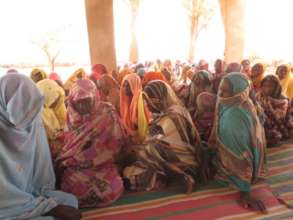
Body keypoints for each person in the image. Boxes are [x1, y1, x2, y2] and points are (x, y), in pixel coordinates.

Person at [0, 73, 81, 220]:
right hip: (5, 204)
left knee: (70, 201)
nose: (28, 117)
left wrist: (44, 202)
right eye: (22, 107)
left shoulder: (31, 121)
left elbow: (41, 178)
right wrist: (48, 208)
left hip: (31, 194)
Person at [123, 80, 207, 193]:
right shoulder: (177, 110)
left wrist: (139, 151)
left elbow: (160, 146)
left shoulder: (172, 117)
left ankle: (181, 177)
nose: (147, 105)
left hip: (185, 164)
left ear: (160, 99)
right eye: (146, 101)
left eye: (149, 101)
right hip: (186, 159)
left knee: (132, 173)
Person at [56, 79, 126, 208]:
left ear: (95, 97)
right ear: (72, 101)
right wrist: (77, 159)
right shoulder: (71, 115)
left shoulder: (106, 112)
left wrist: (96, 158)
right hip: (75, 166)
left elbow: (116, 143)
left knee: (113, 186)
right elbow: (69, 143)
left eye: (87, 101)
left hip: (102, 165)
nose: (83, 106)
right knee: (71, 184)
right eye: (79, 102)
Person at [209, 72, 267, 213]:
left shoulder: (235, 116)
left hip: (240, 165)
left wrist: (245, 190)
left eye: (225, 90)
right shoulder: (238, 102)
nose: (220, 93)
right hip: (238, 153)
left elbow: (243, 156)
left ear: (238, 91)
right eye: (220, 88)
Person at [256, 75, 293, 145]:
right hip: (261, 122)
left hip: (278, 125)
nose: (267, 88)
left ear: (276, 87)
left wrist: (269, 106)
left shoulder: (283, 99)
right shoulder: (259, 95)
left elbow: (279, 117)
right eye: (265, 85)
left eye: (270, 86)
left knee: (273, 135)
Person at [37, 79, 67, 159]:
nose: (55, 104)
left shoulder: (58, 99)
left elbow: (64, 122)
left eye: (56, 101)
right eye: (52, 102)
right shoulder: (37, 113)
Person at [120, 73, 151, 143]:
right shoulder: (127, 101)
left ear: (134, 85)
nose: (124, 88)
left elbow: (145, 126)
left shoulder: (141, 100)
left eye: (128, 86)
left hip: (144, 139)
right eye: (123, 85)